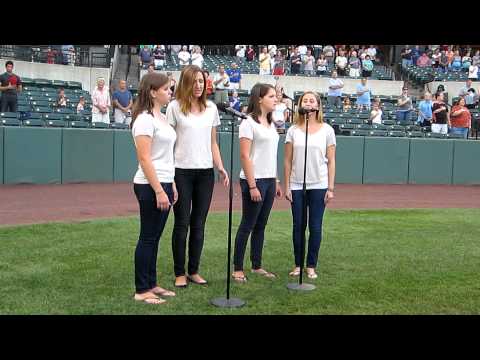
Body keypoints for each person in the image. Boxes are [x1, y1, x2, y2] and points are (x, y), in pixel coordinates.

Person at [166, 65, 229, 288]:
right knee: (181, 223)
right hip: (181, 171)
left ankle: (194, 270)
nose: (198, 85)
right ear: (185, 83)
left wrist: (219, 166)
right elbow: (168, 143)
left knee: (199, 224)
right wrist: (169, 173)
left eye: (201, 81)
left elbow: (213, 143)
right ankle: (179, 273)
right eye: (194, 81)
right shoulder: (174, 107)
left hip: (205, 173)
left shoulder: (211, 108)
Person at [130, 72, 177, 305]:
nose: (170, 92)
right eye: (167, 88)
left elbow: (166, 156)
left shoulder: (162, 117)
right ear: (152, 92)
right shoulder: (144, 119)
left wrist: (172, 184)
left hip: (165, 182)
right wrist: (159, 190)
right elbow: (145, 159)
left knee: (155, 237)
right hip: (149, 185)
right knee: (148, 237)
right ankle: (141, 289)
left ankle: (152, 283)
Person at [231, 83, 282, 283]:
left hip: (269, 180)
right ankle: (237, 269)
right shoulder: (248, 123)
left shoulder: (271, 124)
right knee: (247, 225)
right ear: (259, 99)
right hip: (254, 180)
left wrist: (276, 180)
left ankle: (257, 265)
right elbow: (245, 156)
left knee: (261, 225)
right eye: (271, 96)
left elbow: (271, 155)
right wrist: (252, 185)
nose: (275, 99)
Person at [284, 91, 336, 280]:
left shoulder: (327, 130)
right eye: (305, 100)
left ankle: (311, 265)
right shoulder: (293, 130)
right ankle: (298, 264)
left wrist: (330, 188)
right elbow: (287, 161)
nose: (308, 103)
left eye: (311, 100)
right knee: (298, 226)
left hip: (319, 184)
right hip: (297, 185)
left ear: (317, 105)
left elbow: (331, 161)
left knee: (315, 226)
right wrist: (288, 185)